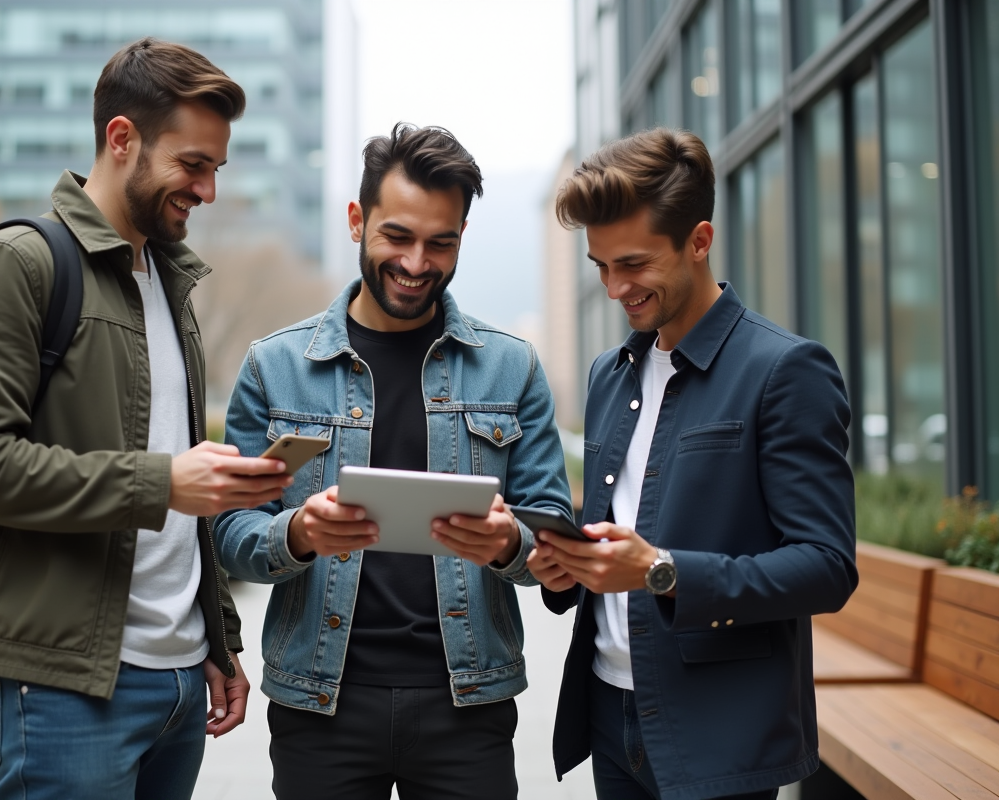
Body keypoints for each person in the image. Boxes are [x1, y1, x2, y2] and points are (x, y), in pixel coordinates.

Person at [0, 38, 293, 800]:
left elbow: (183, 490)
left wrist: (218, 640)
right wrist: (163, 481)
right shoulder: (16, 264)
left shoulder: (169, 284)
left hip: (182, 682)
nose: (208, 190)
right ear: (121, 139)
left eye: (217, 169)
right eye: (193, 165)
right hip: (61, 684)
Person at [215, 123, 573, 800]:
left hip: (468, 706)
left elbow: (553, 529)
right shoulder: (275, 366)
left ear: (463, 236)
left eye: (441, 242)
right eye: (398, 237)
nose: (417, 263)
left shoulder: (512, 366)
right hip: (319, 705)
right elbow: (229, 534)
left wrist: (508, 545)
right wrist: (295, 534)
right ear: (357, 221)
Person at [526, 128, 857, 800]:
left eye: (636, 264)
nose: (617, 288)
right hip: (609, 715)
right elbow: (615, 534)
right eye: (601, 267)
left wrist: (661, 571)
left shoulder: (786, 370)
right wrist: (565, 569)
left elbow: (827, 567)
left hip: (719, 733)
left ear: (699, 242)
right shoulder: (607, 375)